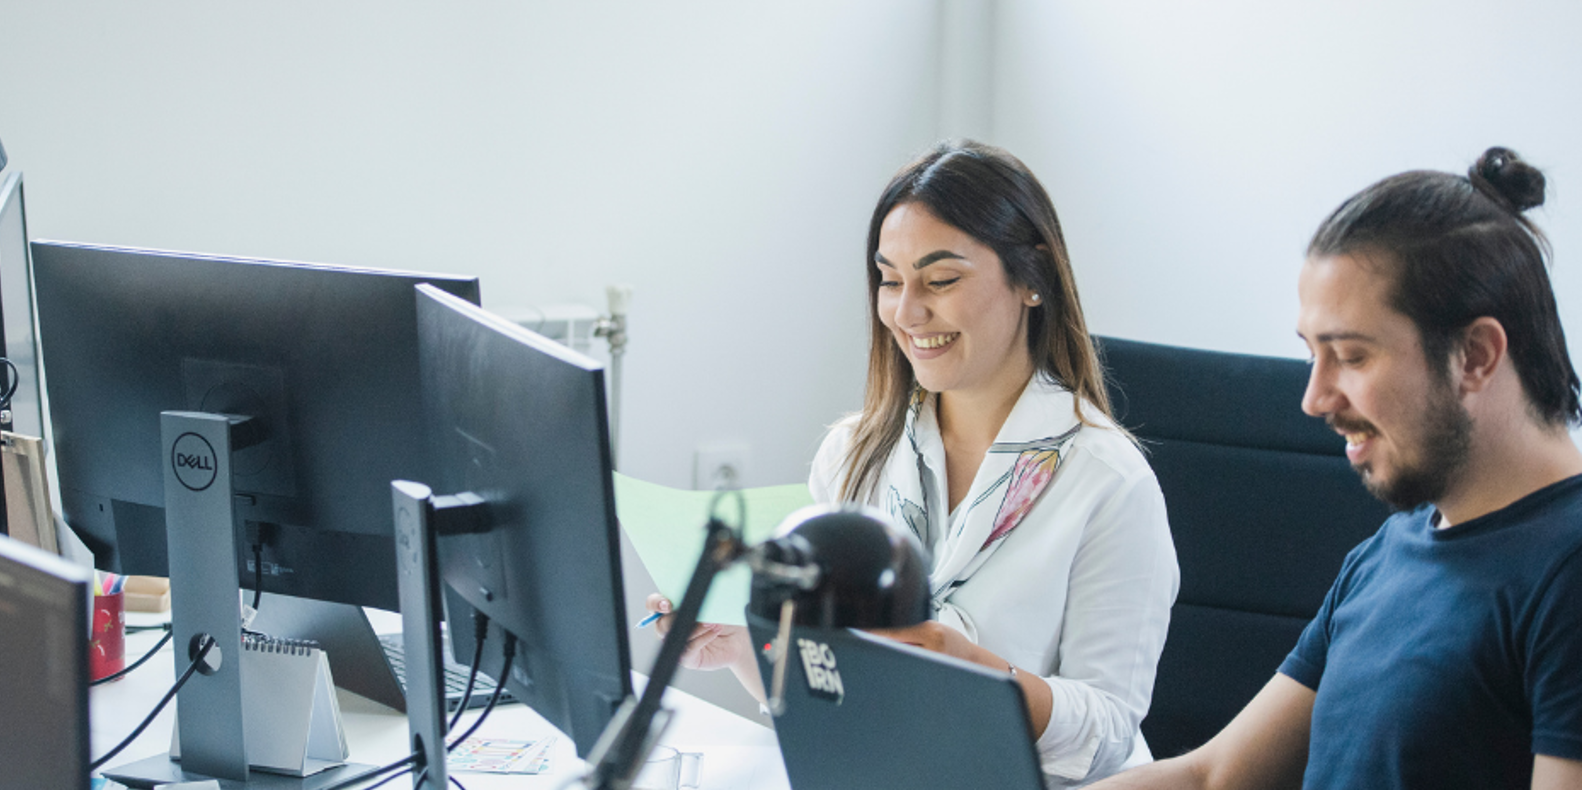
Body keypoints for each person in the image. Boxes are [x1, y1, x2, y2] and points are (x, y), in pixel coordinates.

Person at [649, 139, 1179, 787]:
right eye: (891, 280)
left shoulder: (1108, 481)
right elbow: (832, 689)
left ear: (1031, 279)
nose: (906, 312)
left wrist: (980, 675)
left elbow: (1107, 734)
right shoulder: (854, 454)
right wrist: (741, 644)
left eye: (941, 279)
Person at [1089, 147, 1582, 790]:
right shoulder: (1390, 552)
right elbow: (1214, 777)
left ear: (1477, 355)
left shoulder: (1567, 573)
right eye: (1312, 355)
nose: (1314, 399)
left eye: (1350, 355)